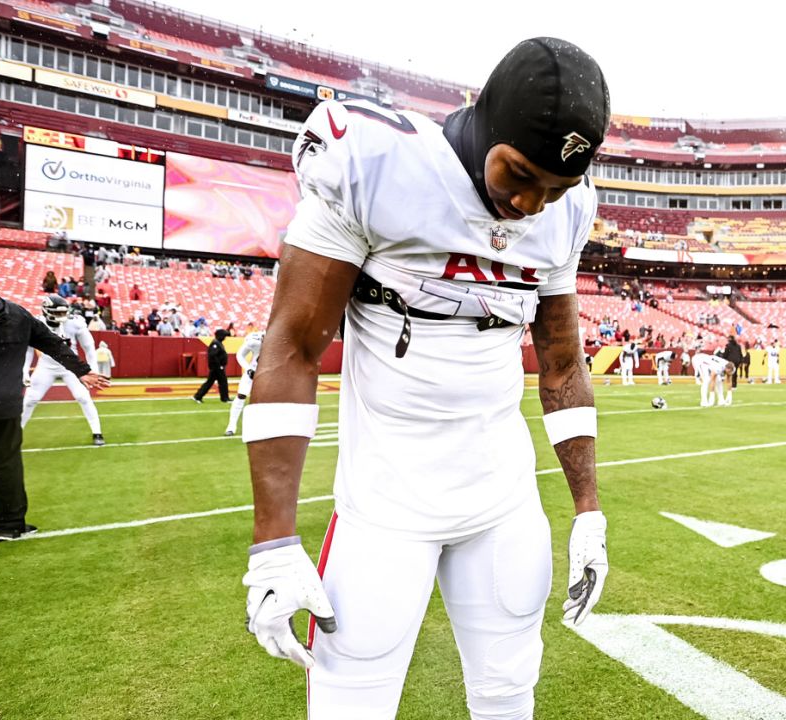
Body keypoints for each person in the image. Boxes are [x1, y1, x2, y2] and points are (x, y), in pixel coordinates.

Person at [240, 38, 610, 720]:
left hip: (503, 502)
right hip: (385, 509)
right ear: (487, 123)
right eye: (519, 174)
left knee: (508, 700)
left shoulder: (567, 210)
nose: (531, 203)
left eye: (554, 190)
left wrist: (588, 509)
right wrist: (272, 542)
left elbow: (561, 363)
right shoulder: (377, 165)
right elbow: (292, 348)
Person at [0, 290, 108, 541]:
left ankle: (97, 431)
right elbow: (49, 343)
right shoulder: (18, 315)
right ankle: (8, 524)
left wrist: (84, 369)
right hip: (2, 403)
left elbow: (71, 344)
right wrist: (83, 369)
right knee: (6, 464)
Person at [20, 295, 107, 446]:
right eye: (58, 313)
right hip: (46, 366)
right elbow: (28, 349)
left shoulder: (74, 322)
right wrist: (25, 370)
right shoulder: (37, 323)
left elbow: (89, 348)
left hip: (71, 367)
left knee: (83, 397)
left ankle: (97, 432)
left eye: (63, 312)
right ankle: (15, 435)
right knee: (30, 400)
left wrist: (91, 370)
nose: (62, 316)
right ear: (46, 311)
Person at [225, 330, 265, 435]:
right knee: (241, 395)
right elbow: (240, 355)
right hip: (252, 372)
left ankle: (260, 427)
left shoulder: (280, 343)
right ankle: (231, 426)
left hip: (268, 375)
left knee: (266, 400)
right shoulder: (255, 341)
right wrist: (248, 369)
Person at [193, 329, 230, 403]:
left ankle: (198, 396)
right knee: (221, 382)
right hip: (217, 367)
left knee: (213, 382)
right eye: (224, 336)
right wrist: (219, 365)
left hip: (217, 367)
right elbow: (213, 355)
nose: (225, 338)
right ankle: (224, 398)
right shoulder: (215, 343)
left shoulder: (218, 343)